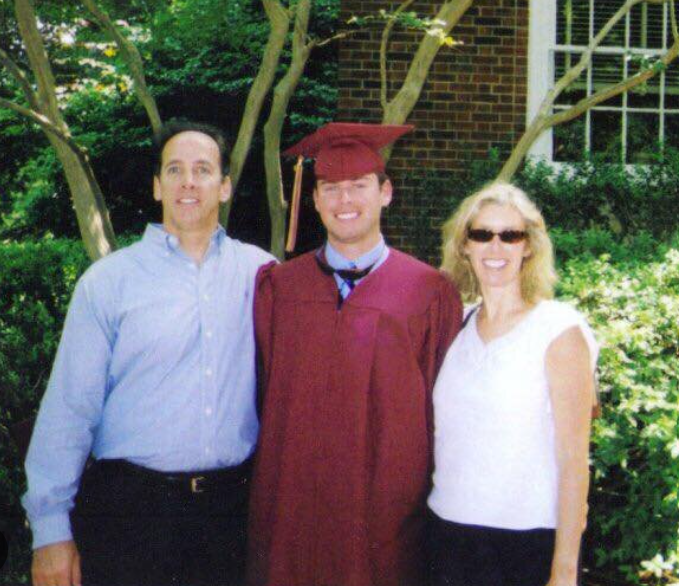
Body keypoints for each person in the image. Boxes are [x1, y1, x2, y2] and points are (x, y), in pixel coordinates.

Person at [22, 120, 275, 586]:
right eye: (175, 170)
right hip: (131, 516)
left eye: (203, 170)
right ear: (158, 186)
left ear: (224, 186)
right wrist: (50, 529)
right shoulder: (109, 283)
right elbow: (70, 409)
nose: (188, 182)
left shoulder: (262, 275)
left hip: (230, 518)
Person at [247, 122, 463, 586]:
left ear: (386, 192)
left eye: (359, 185)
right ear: (315, 199)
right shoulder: (279, 288)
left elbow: (444, 411)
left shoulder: (429, 292)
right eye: (331, 187)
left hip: (386, 512)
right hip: (293, 505)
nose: (344, 199)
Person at [427, 182, 598, 586]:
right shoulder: (456, 326)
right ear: (464, 246)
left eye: (510, 235)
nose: (496, 246)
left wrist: (564, 572)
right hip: (448, 536)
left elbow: (574, 462)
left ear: (529, 247)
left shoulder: (558, 330)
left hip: (526, 546)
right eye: (482, 234)